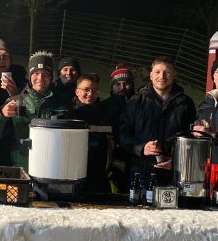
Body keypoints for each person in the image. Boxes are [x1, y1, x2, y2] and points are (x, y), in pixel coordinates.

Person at [119, 56, 196, 186]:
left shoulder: (186, 104)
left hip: (175, 176)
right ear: (150, 75)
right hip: (141, 175)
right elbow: (122, 134)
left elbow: (191, 140)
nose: (162, 76)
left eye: (167, 72)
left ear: (175, 75)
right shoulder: (136, 101)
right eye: (157, 72)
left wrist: (176, 161)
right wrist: (141, 147)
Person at [0, 50, 70, 170]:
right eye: (36, 73)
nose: (40, 78)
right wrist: (1, 114)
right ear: (30, 76)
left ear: (52, 76)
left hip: (52, 167)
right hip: (22, 168)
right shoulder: (15, 101)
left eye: (45, 74)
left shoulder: (63, 105)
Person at [0, 38, 27, 165]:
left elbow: (28, 113)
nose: (2, 60)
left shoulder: (23, 84)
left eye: (5, 57)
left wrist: (15, 94)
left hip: (16, 145)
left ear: (10, 61)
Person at [71, 73, 112, 191]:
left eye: (94, 90)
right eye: (86, 90)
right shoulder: (68, 113)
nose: (90, 94)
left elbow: (110, 145)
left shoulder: (105, 114)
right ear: (77, 92)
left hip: (98, 176)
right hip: (73, 174)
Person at [101, 63, 136, 192]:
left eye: (126, 83)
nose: (122, 87)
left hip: (134, 154)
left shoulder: (139, 105)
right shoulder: (104, 106)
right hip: (110, 155)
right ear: (112, 86)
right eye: (117, 84)